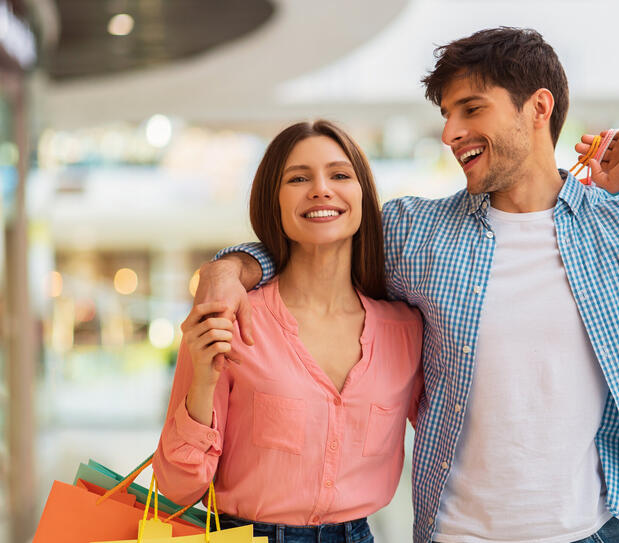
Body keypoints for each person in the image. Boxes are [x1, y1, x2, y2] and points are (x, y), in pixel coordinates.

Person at [196, 27, 619, 543]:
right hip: (459, 533)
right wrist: (233, 267)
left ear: (538, 108)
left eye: (472, 109)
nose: (450, 133)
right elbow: (318, 245)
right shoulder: (419, 233)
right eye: (446, 115)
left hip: (604, 528)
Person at [153, 120, 423, 543]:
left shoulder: (405, 330)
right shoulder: (232, 316)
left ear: (363, 197)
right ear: (273, 201)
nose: (321, 189)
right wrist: (203, 382)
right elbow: (176, 487)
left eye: (339, 175)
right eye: (298, 178)